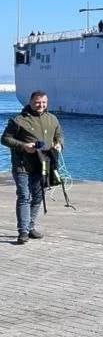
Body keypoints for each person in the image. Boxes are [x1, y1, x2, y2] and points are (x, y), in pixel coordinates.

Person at [1, 89, 65, 244]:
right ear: (30, 102)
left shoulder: (52, 119)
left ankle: (30, 227)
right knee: (24, 196)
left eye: (43, 103)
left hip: (43, 165)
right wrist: (23, 146)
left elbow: (60, 135)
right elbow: (5, 139)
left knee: (37, 197)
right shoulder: (18, 120)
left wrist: (59, 144)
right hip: (22, 165)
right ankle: (22, 231)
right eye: (37, 102)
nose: (41, 105)